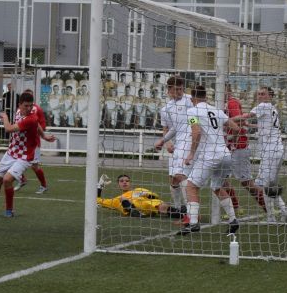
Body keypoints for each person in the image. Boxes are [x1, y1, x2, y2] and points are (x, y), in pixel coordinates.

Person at [0, 92, 55, 217]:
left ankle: (9, 210)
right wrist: (45, 136)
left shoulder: (31, 118)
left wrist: (5, 117)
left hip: (25, 156)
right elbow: (38, 126)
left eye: (31, 106)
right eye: (26, 106)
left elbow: (8, 129)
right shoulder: (19, 112)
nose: (29, 108)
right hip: (11, 153)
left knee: (7, 180)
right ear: (19, 105)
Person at [182, 85, 240, 235]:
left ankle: (193, 223)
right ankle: (233, 220)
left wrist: (191, 154)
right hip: (225, 154)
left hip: (209, 155)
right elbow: (236, 128)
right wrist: (230, 142)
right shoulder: (217, 111)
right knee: (217, 187)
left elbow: (196, 132)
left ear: (192, 98)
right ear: (205, 97)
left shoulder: (192, 111)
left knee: (191, 186)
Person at [233, 86, 287, 222]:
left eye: (263, 94)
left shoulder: (263, 106)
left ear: (270, 96)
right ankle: (284, 212)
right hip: (277, 150)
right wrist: (250, 126)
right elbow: (266, 126)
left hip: (270, 152)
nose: (260, 96)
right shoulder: (272, 108)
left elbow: (246, 116)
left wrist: (227, 119)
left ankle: (273, 217)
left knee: (265, 186)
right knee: (269, 185)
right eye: (259, 94)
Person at [223, 84, 268, 217]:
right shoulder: (223, 104)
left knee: (247, 182)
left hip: (238, 147)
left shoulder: (231, 103)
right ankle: (236, 208)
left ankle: (269, 207)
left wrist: (233, 141)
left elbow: (239, 122)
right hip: (227, 147)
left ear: (228, 90)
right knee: (221, 180)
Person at [154, 76, 193, 218]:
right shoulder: (166, 109)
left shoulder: (190, 100)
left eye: (181, 89)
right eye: (176, 89)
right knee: (173, 179)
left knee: (181, 176)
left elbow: (195, 119)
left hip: (190, 142)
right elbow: (169, 128)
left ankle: (190, 213)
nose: (179, 92)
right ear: (169, 90)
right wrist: (166, 141)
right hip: (178, 144)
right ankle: (178, 209)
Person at [96, 174, 185, 219]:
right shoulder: (116, 199)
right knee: (122, 199)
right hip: (131, 207)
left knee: (161, 205)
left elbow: (155, 196)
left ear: (130, 183)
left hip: (145, 204)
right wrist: (100, 186)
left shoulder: (138, 189)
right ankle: (133, 211)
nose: (124, 182)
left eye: (127, 181)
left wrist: (145, 194)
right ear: (118, 185)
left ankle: (182, 214)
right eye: (121, 181)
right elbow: (97, 200)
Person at [14, 89, 50, 194]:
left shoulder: (37, 109)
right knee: (13, 160)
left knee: (34, 166)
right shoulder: (19, 109)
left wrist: (36, 132)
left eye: (30, 97)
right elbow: (18, 124)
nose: (28, 106)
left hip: (33, 143)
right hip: (21, 143)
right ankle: (22, 179)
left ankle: (43, 185)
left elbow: (42, 124)